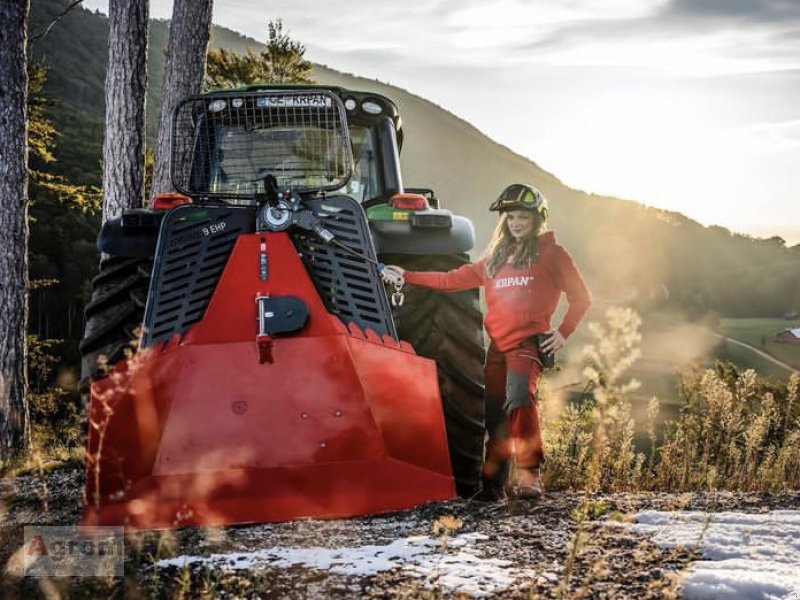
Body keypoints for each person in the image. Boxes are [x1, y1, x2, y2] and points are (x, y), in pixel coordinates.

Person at [382, 183, 591, 500]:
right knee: (494, 414)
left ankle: (529, 475)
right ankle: (493, 486)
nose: (517, 223)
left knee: (519, 398)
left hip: (527, 345)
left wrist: (563, 332)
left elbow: (581, 298)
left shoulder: (553, 254)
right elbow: (450, 279)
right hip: (498, 349)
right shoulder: (496, 259)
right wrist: (407, 275)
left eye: (523, 217)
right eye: (511, 218)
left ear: (537, 219)